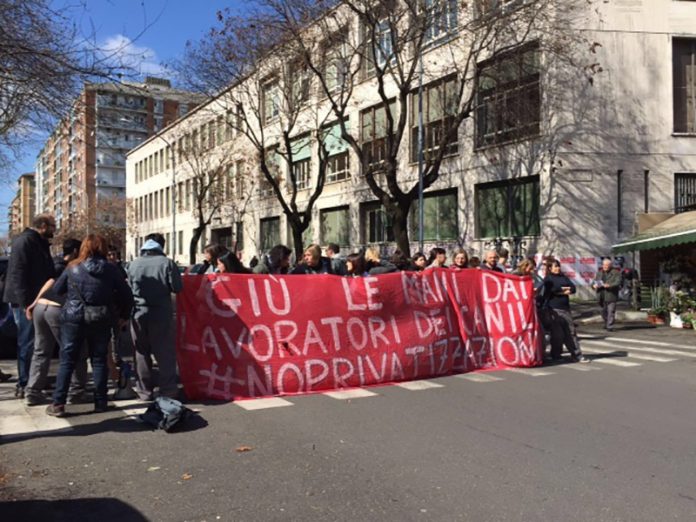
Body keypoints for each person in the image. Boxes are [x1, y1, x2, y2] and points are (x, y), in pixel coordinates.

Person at [45, 234, 134, 416]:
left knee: (67, 360)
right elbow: (127, 296)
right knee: (99, 360)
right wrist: (123, 315)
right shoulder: (111, 269)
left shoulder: (72, 267)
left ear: (84, 248)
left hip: (73, 317)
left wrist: (72, 298)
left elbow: (57, 290)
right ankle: (100, 402)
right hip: (101, 317)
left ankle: (58, 403)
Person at [24, 239, 88, 406]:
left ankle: (32, 391)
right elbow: (52, 282)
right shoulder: (71, 265)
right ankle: (76, 391)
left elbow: (48, 283)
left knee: (40, 351)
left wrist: (35, 302)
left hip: (41, 308)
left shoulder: (56, 262)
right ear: (75, 251)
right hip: (57, 309)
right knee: (73, 350)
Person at [3, 214, 56, 398]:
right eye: (52, 225)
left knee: (38, 343)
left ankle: (35, 379)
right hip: (26, 303)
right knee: (27, 343)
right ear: (42, 225)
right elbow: (18, 275)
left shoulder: (38, 242)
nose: (54, 229)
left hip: (36, 300)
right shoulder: (25, 242)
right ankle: (25, 383)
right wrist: (27, 304)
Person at [127, 233, 183, 402]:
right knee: (164, 352)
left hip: (138, 313)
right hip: (161, 313)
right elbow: (177, 288)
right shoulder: (167, 263)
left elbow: (128, 287)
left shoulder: (132, 264)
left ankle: (144, 391)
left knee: (141, 351)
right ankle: (168, 390)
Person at [542, 260, 589, 363]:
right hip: (554, 309)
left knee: (571, 332)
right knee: (557, 334)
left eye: (558, 266)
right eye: (555, 267)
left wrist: (565, 290)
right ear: (550, 268)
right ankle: (556, 354)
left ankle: (576, 354)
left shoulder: (563, 277)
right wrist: (562, 290)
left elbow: (573, 288)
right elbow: (552, 289)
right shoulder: (548, 278)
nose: (557, 268)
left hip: (565, 308)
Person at [593, 257, 621, 331]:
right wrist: (593, 285)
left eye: (607, 265)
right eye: (604, 265)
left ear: (610, 265)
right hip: (601, 295)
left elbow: (618, 282)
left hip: (611, 295)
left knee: (611, 311)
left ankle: (610, 326)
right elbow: (594, 282)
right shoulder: (599, 273)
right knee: (603, 311)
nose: (605, 266)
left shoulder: (616, 272)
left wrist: (609, 285)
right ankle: (606, 322)